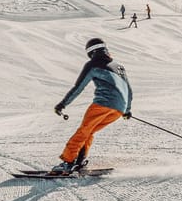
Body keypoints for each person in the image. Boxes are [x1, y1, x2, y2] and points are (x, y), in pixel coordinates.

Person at [48, 37, 134, 175]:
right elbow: (128, 89)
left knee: (83, 131)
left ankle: (68, 162)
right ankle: (79, 162)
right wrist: (127, 110)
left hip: (103, 104)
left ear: (90, 52)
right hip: (119, 108)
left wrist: (62, 104)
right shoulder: (119, 66)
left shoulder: (93, 64)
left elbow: (78, 87)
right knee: (89, 131)